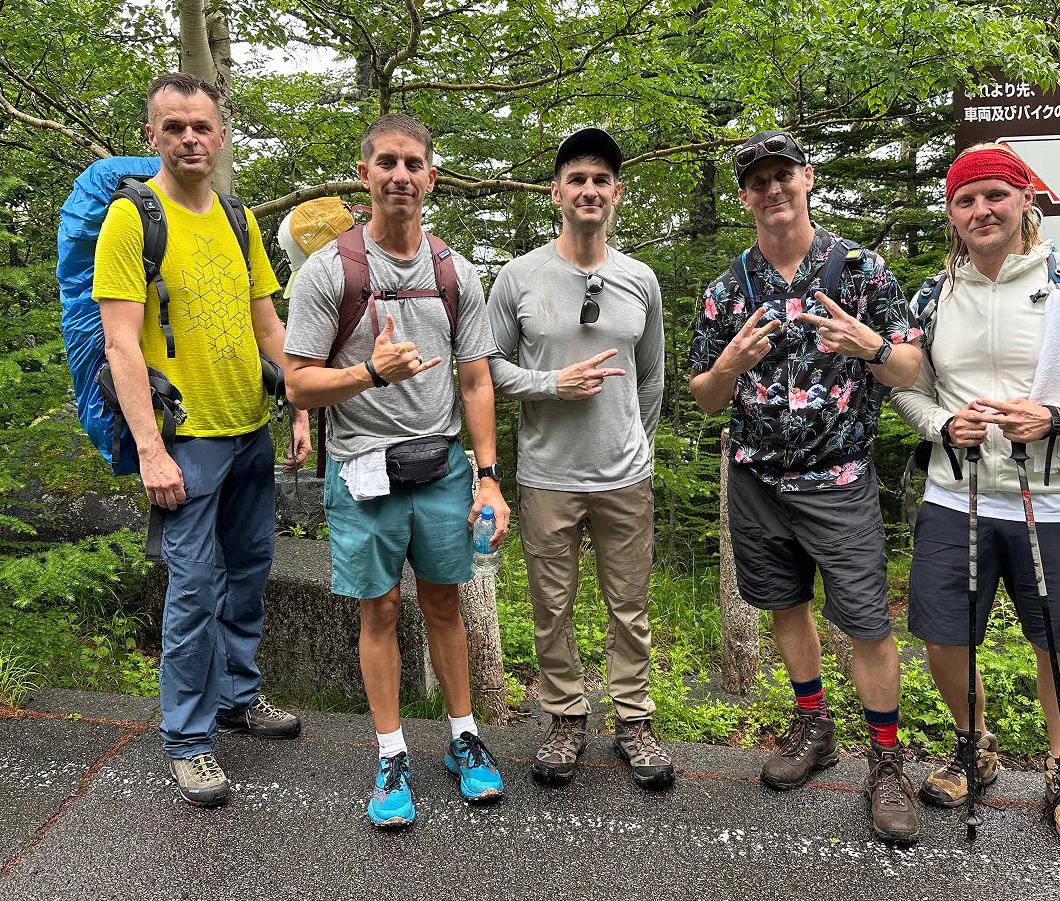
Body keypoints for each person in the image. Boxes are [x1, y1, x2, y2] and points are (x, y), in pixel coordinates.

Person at [892, 142, 1060, 851]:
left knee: (1054, 638)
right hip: (958, 492)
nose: (981, 209)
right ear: (951, 214)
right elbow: (909, 395)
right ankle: (974, 744)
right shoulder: (932, 295)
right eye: (966, 199)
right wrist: (946, 424)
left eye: (995, 195)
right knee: (943, 633)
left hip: (1054, 495)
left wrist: (1059, 417)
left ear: (1024, 203)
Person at [688, 130, 925, 844]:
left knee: (867, 623)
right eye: (758, 182)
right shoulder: (729, 287)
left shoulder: (858, 269)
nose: (772, 190)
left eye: (782, 176)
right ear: (744, 197)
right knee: (785, 604)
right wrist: (728, 365)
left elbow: (910, 369)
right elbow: (703, 396)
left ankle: (886, 762)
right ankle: (814, 725)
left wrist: (873, 348)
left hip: (840, 477)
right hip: (756, 479)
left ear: (808, 179)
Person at [283, 113, 510, 828]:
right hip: (362, 472)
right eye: (386, 163)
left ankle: (464, 740)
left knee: (445, 605)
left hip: (442, 467)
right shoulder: (331, 272)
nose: (400, 176)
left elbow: (476, 381)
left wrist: (488, 476)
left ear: (431, 178)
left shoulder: (454, 271)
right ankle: (390, 754)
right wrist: (369, 375)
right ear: (364, 176)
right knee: (378, 610)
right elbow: (297, 384)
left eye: (413, 164)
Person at [94, 72, 311, 808]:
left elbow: (267, 326)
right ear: (151, 136)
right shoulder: (133, 218)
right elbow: (122, 345)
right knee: (192, 592)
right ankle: (187, 741)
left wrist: (300, 402)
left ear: (221, 136)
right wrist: (149, 449)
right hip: (185, 441)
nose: (190, 138)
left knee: (248, 574)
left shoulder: (238, 218)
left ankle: (236, 699)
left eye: (202, 127)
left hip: (250, 428)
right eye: (174, 127)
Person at [487, 129, 671, 789]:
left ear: (617, 193)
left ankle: (634, 720)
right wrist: (551, 384)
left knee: (630, 605)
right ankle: (565, 717)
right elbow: (485, 371)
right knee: (551, 605)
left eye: (601, 179)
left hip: (625, 474)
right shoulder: (519, 277)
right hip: (547, 474)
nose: (589, 190)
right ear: (556, 193)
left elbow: (652, 375)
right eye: (577, 179)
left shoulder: (638, 279)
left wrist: (637, 445)